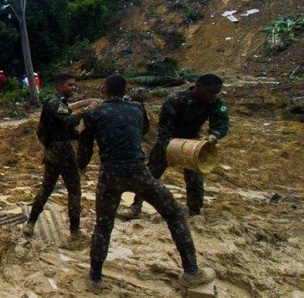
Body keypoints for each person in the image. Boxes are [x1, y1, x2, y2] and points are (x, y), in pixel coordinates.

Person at [77, 75, 216, 292]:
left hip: (110, 174)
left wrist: (82, 166)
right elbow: (141, 131)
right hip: (139, 172)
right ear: (125, 90)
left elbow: (85, 150)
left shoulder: (92, 114)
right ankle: (191, 271)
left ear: (104, 89)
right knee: (175, 214)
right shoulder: (136, 109)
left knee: (103, 226)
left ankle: (94, 279)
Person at [119, 73, 229, 219]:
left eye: (216, 92)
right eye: (210, 92)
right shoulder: (176, 100)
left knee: (195, 179)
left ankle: (194, 211)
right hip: (168, 140)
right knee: (150, 176)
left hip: (193, 143)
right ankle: (136, 206)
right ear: (199, 86)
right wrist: (171, 146)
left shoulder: (215, 102)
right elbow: (164, 129)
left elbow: (221, 122)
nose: (212, 96)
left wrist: (214, 135)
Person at [22, 73, 98, 242]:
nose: (73, 88)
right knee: (74, 190)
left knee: (46, 188)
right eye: (70, 85)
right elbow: (69, 121)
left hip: (51, 153)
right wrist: (89, 110)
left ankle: (30, 223)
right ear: (60, 86)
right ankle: (75, 230)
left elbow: (66, 129)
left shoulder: (59, 103)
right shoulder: (54, 103)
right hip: (62, 153)